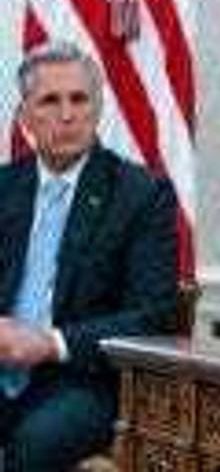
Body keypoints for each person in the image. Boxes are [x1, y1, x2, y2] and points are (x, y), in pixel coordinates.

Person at [0, 41, 177, 468]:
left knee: (36, 442)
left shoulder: (140, 195)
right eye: (50, 101)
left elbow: (152, 317)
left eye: (79, 100)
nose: (67, 115)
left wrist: (51, 343)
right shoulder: (5, 187)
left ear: (97, 110)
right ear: (25, 117)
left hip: (82, 378)